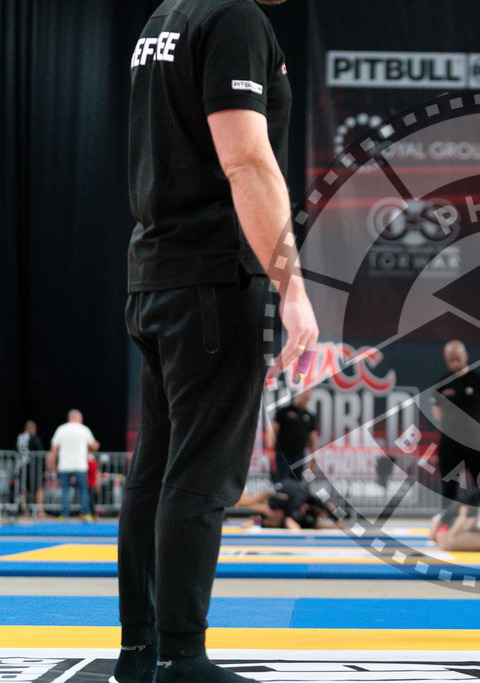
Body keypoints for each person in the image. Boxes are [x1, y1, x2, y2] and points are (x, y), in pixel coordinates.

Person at [116, 0, 318, 680]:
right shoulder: (232, 18)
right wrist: (290, 285)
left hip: (156, 271)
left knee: (158, 470)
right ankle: (182, 655)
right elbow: (247, 163)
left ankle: (141, 649)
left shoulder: (163, 19)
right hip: (209, 278)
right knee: (199, 476)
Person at [432, 340, 480, 509]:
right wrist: (449, 426)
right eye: (450, 360)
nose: (454, 363)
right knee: (449, 487)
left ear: (466, 356)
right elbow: (436, 409)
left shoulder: (479, 381)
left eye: (457, 359)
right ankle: (448, 525)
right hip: (450, 443)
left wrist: (479, 428)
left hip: (475, 442)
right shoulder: (442, 384)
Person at [47, 410, 99, 520]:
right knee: (83, 490)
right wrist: (94, 446)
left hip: (64, 465)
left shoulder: (61, 429)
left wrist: (52, 464)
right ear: (79, 418)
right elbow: (94, 446)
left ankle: (64, 514)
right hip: (80, 464)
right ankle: (86, 514)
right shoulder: (84, 429)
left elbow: (54, 448)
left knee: (65, 490)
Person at [237, 480, 344, 530]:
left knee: (263, 506)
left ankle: (244, 501)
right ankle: (243, 500)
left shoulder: (300, 508)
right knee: (262, 504)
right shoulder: (300, 500)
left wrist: (335, 521)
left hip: (281, 492)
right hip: (281, 492)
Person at [268, 391, 319, 483]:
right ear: (298, 395)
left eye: (307, 398)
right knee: (281, 480)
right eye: (303, 397)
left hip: (299, 455)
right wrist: (271, 449)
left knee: (296, 481)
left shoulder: (309, 416)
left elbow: (313, 439)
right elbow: (273, 430)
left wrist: (314, 457)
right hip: (282, 454)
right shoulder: (284, 411)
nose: (305, 400)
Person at [15, 420, 44, 515]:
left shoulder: (20, 437)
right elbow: (40, 450)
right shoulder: (33, 438)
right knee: (38, 488)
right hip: (31, 466)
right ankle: (40, 511)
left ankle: (25, 511)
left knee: (23, 489)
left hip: (21, 466)